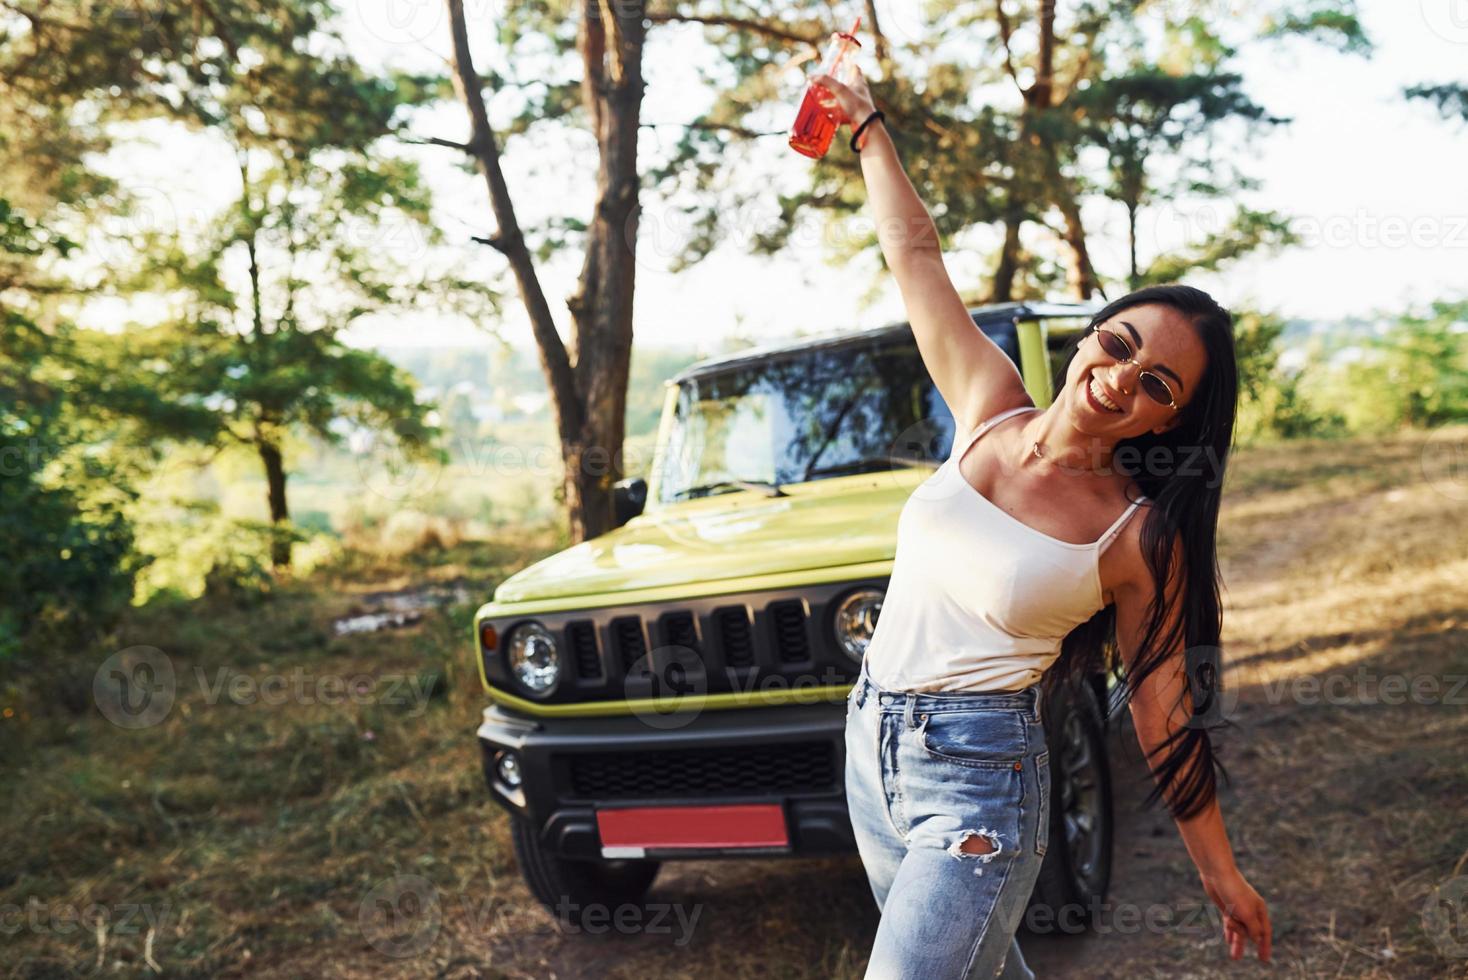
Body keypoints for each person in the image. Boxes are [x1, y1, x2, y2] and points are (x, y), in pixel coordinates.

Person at [811, 66, 1273, 979]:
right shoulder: (988, 405)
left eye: (1155, 385)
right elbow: (916, 256)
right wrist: (867, 128)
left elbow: (1163, 712)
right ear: (1093, 332)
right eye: (1120, 344)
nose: (1119, 379)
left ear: (1165, 420)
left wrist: (1219, 873)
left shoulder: (1137, 536)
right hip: (872, 744)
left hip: (982, 784)